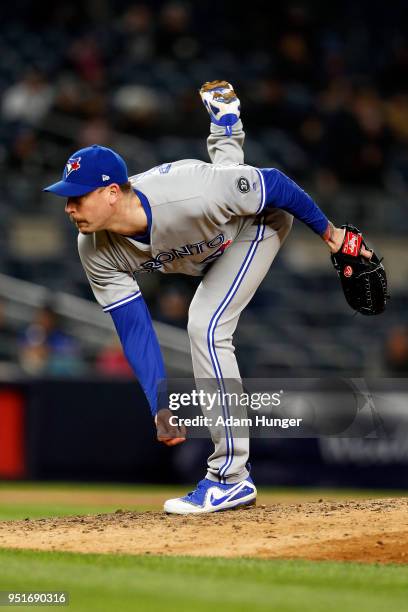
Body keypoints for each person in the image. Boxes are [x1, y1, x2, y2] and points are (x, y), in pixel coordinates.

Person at [44, 81, 372, 514]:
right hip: (209, 239)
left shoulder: (186, 192)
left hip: (256, 226)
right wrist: (159, 403)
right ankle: (226, 126)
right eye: (66, 198)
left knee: (206, 325)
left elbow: (273, 183)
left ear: (111, 193)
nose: (69, 207)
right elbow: (134, 326)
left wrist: (332, 236)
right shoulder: (94, 248)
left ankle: (230, 477)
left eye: (77, 197)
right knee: (226, 188)